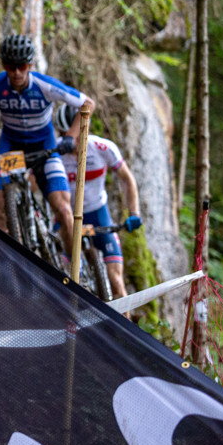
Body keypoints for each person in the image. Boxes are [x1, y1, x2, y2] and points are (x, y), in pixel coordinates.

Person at [0, 33, 94, 254]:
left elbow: (87, 104)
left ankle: (76, 273)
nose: (16, 72)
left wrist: (71, 138)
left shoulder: (45, 85)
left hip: (45, 149)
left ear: (30, 64)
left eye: (22, 66)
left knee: (63, 210)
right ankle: (5, 269)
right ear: (3, 65)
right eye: (10, 66)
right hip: (13, 150)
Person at [52, 103, 142, 301]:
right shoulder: (54, 151)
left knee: (116, 282)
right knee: (63, 279)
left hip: (98, 213)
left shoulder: (103, 148)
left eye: (77, 134)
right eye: (67, 134)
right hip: (67, 217)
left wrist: (134, 213)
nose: (72, 142)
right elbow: (34, 184)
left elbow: (127, 179)